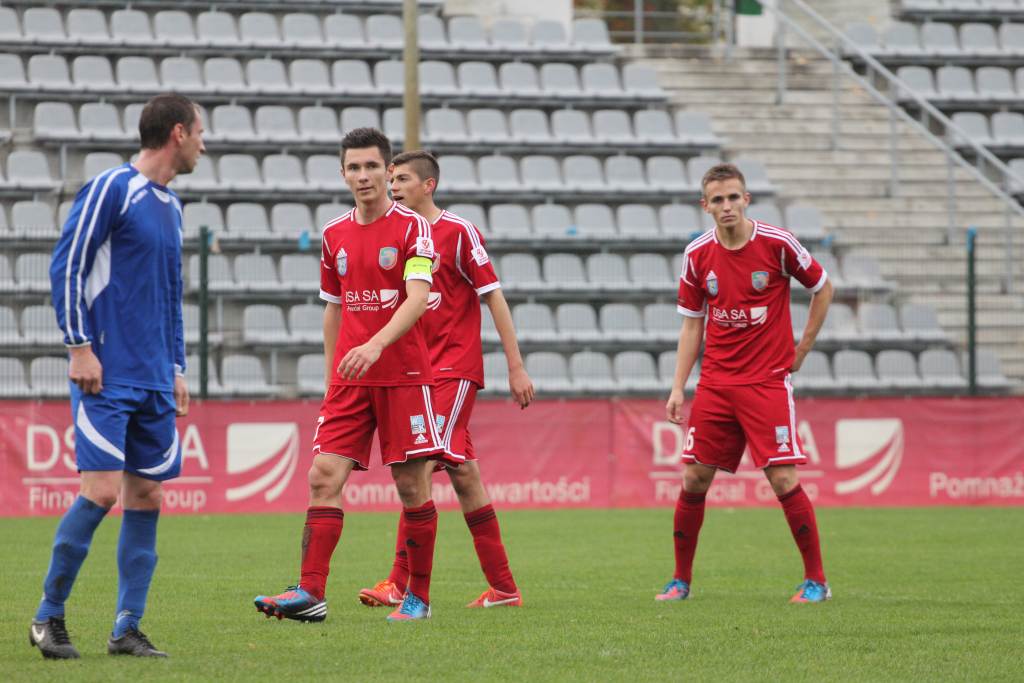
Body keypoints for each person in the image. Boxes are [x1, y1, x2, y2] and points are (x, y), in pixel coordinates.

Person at [30, 93, 204, 659]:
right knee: (102, 491)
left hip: (154, 377)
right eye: (201, 133)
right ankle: (48, 616)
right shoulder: (112, 187)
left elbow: (170, 294)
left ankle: (127, 627)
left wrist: (175, 367)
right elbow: (67, 265)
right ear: (178, 133)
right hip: (105, 372)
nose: (204, 146)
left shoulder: (172, 206)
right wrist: (79, 347)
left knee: (147, 494)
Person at [254, 128, 452, 623]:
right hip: (350, 380)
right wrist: (332, 380)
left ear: (389, 171)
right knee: (322, 476)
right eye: (354, 167)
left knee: (411, 486)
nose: (363, 176)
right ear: (343, 174)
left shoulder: (414, 229)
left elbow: (417, 299)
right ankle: (310, 593)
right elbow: (334, 308)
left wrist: (376, 343)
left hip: (404, 374)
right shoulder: (333, 235)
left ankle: (418, 598)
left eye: (372, 166)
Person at [357, 150, 534, 610]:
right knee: (464, 475)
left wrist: (515, 366)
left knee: (418, 466)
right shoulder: (396, 233)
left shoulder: (458, 232)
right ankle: (504, 588)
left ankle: (400, 582)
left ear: (428, 185)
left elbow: (494, 297)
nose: (393, 187)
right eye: (392, 179)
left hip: (453, 370)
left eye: (402, 179)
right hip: (418, 373)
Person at [661, 163, 834, 604]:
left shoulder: (777, 244)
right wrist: (679, 387)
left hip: (766, 383)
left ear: (746, 199)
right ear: (705, 206)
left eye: (733, 197)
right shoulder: (697, 254)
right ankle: (680, 581)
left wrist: (802, 349)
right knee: (694, 478)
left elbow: (823, 286)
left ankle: (817, 581)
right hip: (716, 384)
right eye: (718, 200)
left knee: (782, 478)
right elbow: (692, 325)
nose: (727, 206)